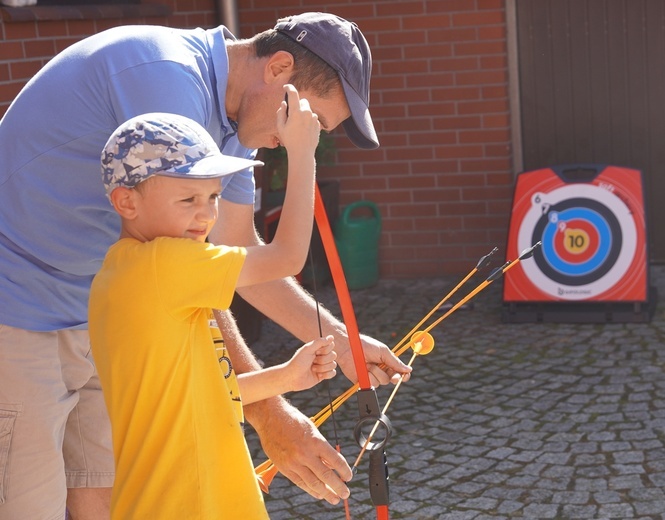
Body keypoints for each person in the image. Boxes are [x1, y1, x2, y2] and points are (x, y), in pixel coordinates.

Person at [0, 12, 410, 520]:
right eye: (311, 123)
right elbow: (195, 273)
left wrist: (340, 339)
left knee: (101, 498)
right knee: (28, 504)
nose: (300, 137)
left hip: (103, 310)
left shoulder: (238, 125)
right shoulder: (168, 84)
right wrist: (267, 413)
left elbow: (237, 249)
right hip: (17, 301)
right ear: (279, 70)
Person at [88, 107, 338, 518]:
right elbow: (287, 257)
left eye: (214, 197)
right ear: (126, 201)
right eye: (188, 199)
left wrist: (286, 377)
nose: (206, 214)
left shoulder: (127, 273)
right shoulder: (165, 264)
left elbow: (205, 392)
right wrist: (302, 152)